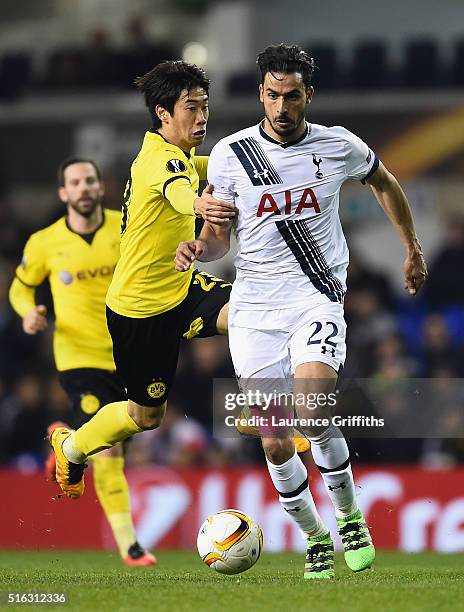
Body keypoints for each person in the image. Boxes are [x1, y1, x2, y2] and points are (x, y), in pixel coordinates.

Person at [174, 44, 428, 579]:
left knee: (311, 411)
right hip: (254, 308)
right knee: (273, 435)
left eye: (291, 96)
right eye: (272, 95)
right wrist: (200, 245)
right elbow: (219, 242)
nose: (281, 107)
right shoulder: (229, 154)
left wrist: (412, 247)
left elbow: (383, 181)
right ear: (261, 94)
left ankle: (349, 517)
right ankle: (315, 538)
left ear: (307, 94)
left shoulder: (338, 146)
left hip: (315, 295)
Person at [46, 62, 238, 501]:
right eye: (192, 108)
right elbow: (178, 190)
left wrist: (260, 156)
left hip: (181, 289)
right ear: (163, 112)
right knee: (146, 416)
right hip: (140, 311)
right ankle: (72, 447)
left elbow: (216, 166)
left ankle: (269, 417)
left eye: (205, 107)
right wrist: (203, 206)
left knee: (250, 315)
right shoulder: (157, 161)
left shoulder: (182, 154)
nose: (202, 117)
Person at [9, 158, 156, 567]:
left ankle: (66, 440)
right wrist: (28, 312)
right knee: (107, 451)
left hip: (128, 351)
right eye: (75, 182)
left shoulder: (125, 225)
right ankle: (131, 546)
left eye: (90, 180)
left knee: (126, 433)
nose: (84, 188)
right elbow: (21, 288)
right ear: (64, 193)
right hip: (78, 355)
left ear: (99, 187)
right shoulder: (44, 242)